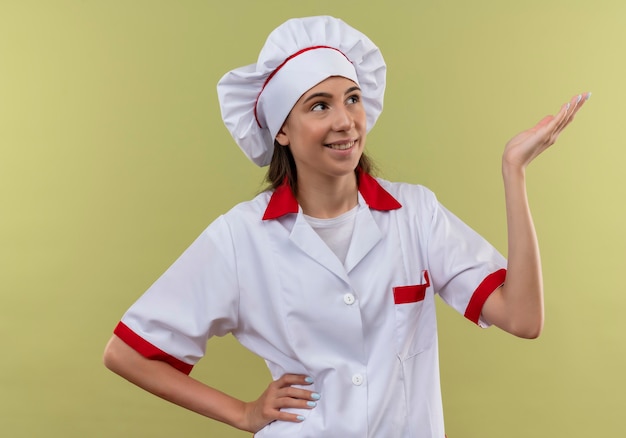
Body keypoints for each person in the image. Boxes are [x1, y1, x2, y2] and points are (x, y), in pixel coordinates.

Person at [103, 15, 589, 438]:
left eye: (352, 98)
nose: (346, 122)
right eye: (319, 105)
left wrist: (514, 171)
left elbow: (523, 319)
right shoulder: (241, 237)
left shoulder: (414, 214)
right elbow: (126, 354)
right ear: (282, 130)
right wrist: (244, 413)